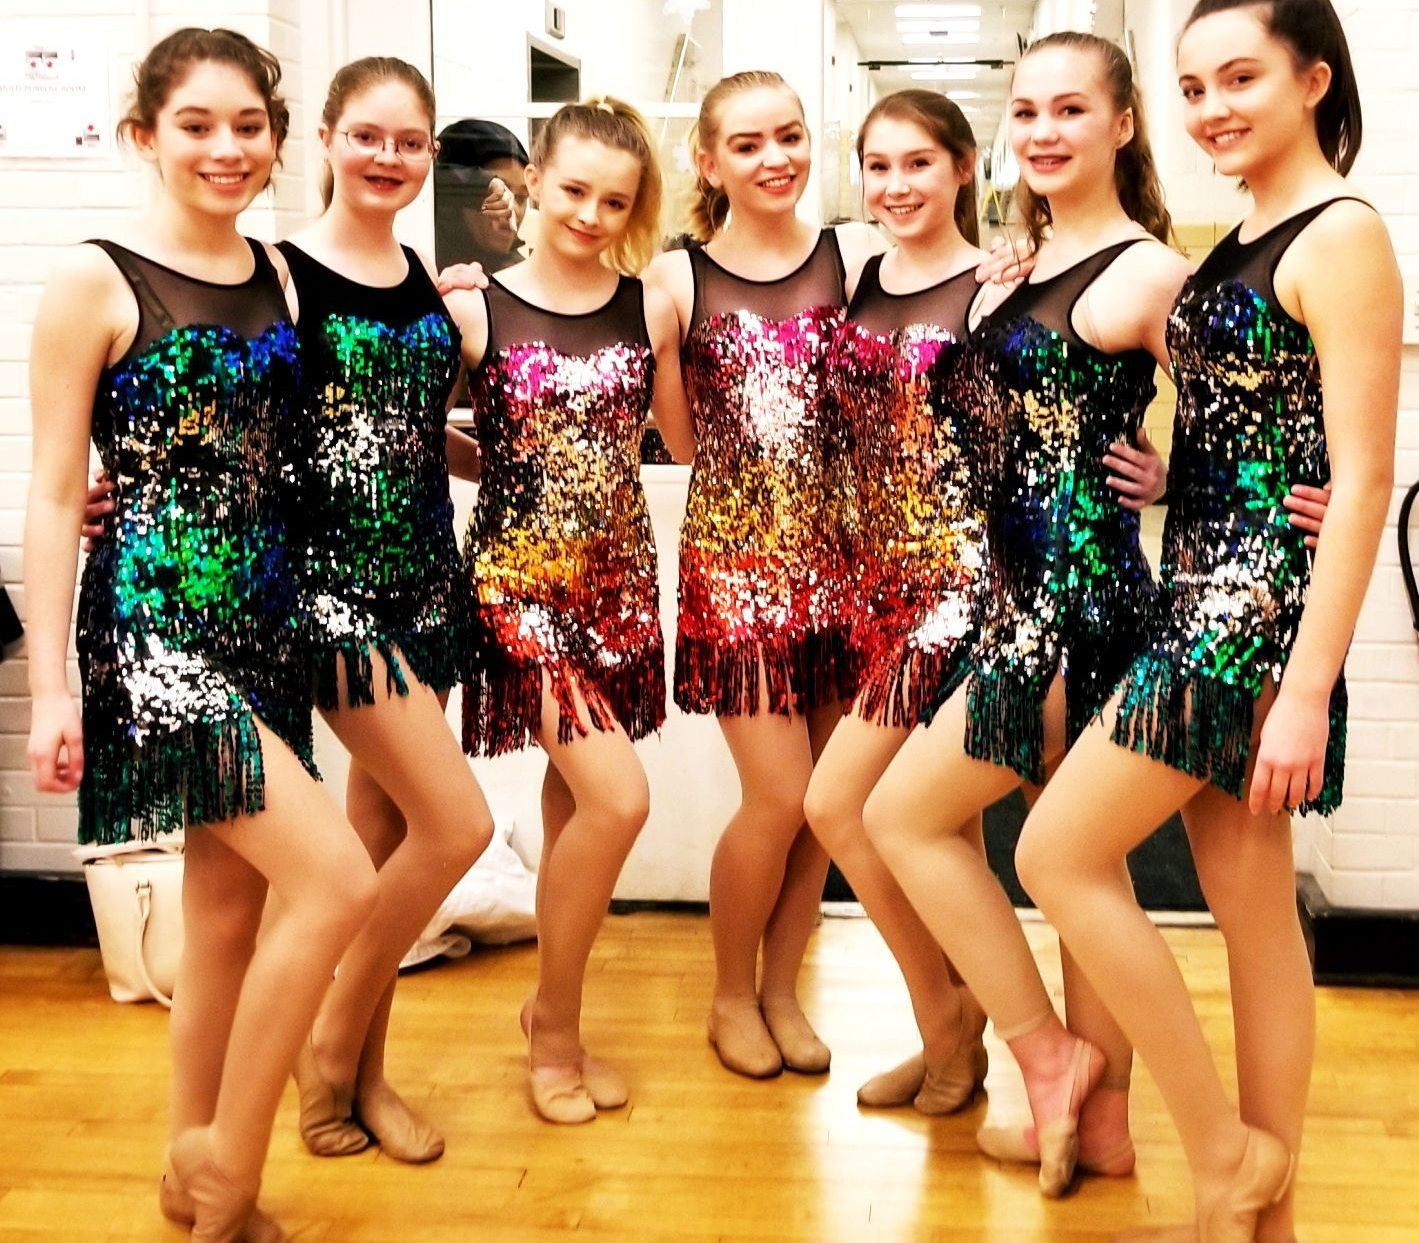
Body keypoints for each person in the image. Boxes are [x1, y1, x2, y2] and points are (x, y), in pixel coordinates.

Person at [1017, 0, 1399, 1242]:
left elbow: (1361, 479)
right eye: (1191, 87)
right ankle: (1263, 1216)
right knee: (1250, 910)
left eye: (1240, 78)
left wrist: (1302, 692)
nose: (1212, 107)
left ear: (1313, 78)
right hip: (1206, 577)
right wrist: (1185, 471)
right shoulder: (1235, 236)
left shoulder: (1340, 232)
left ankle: (1226, 1151)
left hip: (1247, 624)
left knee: (1056, 852)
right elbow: (1269, 423)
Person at [25, 28, 377, 1240]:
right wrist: (56, 688)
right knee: (334, 877)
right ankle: (228, 1159)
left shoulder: (283, 273)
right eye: (196, 125)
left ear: (279, 139)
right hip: (154, 632)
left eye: (247, 126)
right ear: (145, 137)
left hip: (267, 623)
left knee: (227, 915)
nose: (227, 149)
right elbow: (54, 492)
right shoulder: (95, 280)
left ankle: (194, 1188)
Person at [804, 88, 1165, 1115]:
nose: (895, 185)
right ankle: (951, 1037)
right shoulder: (862, 272)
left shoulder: (998, 280)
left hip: (968, 584)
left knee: (846, 805)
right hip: (879, 581)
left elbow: (1079, 402)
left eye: (919, 162)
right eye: (877, 165)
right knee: (935, 829)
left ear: (968, 167)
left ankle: (1003, 1038)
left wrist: (1164, 472)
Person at [444, 96, 682, 1123]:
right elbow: (412, 436)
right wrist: (491, 466)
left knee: (576, 805)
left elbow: (689, 437)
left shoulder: (652, 306)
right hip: (514, 584)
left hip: (618, 581)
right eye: (574, 189)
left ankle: (558, 1015)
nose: (590, 212)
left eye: (614, 199)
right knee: (620, 799)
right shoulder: (470, 308)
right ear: (532, 182)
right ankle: (555, 1025)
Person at [274, 56, 494, 1165]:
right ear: (325, 136)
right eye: (368, 135)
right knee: (459, 823)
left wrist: (485, 451)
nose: (388, 157)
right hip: (330, 597)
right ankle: (324, 1049)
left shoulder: (421, 274)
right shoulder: (277, 273)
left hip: (424, 578)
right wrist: (107, 490)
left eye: (410, 142)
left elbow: (410, 433)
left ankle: (360, 1075)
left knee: (391, 831)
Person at [646, 71, 877, 1080]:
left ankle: (786, 986)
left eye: (789, 135)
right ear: (707, 161)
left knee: (827, 799)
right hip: (737, 571)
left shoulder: (856, 258)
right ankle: (730, 993)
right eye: (746, 143)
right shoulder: (673, 279)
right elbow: (682, 437)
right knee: (775, 798)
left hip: (847, 568)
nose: (774, 157)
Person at [435, 118, 531, 273]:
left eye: (521, 198)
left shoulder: (524, 282)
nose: (513, 209)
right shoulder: (422, 270)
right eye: (497, 194)